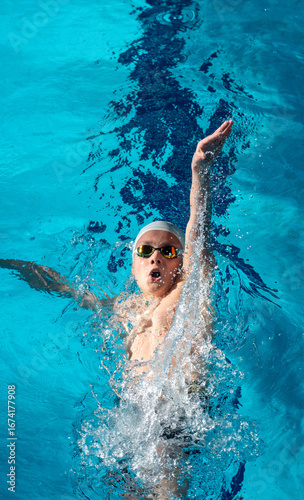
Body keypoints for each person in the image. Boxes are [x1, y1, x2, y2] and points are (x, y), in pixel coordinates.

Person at [0, 120, 233, 369]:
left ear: (182, 261)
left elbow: (198, 241)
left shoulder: (189, 292)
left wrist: (200, 173)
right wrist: (15, 265)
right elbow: (64, 288)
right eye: (145, 250)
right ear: (133, 267)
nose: (155, 258)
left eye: (168, 251)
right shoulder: (124, 308)